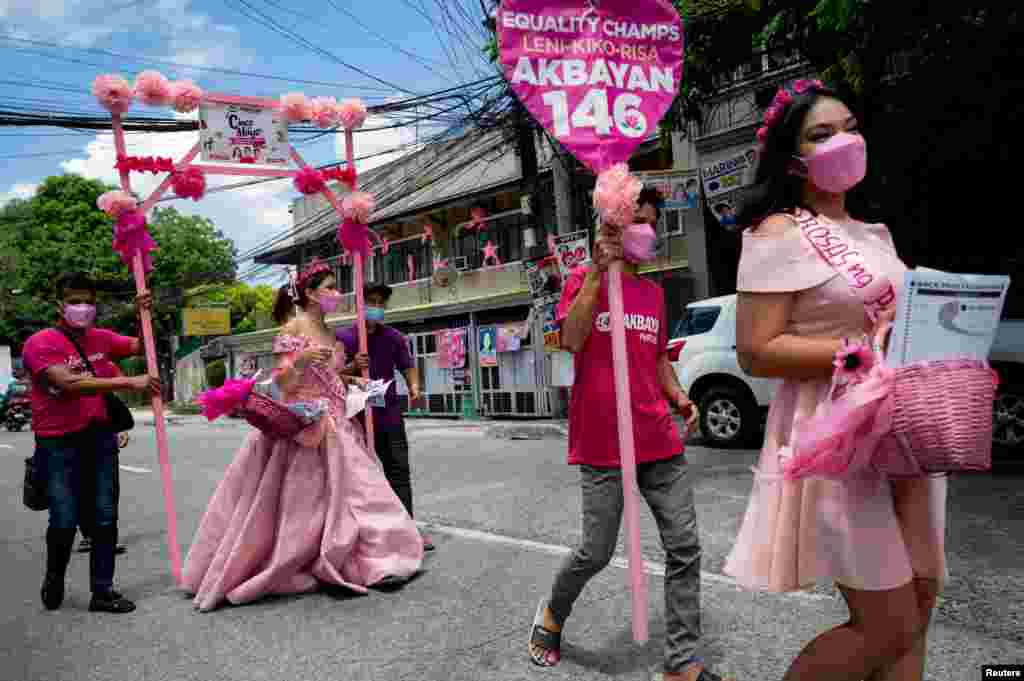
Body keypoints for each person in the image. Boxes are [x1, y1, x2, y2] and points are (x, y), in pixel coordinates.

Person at [725, 79, 946, 681]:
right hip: (840, 439)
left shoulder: (876, 235)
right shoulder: (776, 233)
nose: (843, 141)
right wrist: (858, 353)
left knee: (921, 602)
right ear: (792, 159)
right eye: (822, 134)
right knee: (886, 622)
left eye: (850, 127)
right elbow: (757, 349)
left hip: (907, 432)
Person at [527, 187, 728, 681]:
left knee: (685, 546)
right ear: (612, 227)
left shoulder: (654, 294)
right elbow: (571, 340)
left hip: (656, 436)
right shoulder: (581, 280)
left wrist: (679, 397)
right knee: (595, 550)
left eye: (651, 222)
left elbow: (658, 359)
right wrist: (597, 271)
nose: (647, 230)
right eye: (637, 220)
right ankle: (552, 612)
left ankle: (682, 663)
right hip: (602, 441)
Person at [182, 261, 423, 611]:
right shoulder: (292, 327)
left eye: (336, 288)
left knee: (366, 495)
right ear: (309, 293)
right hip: (303, 428)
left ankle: (381, 559)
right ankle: (306, 559)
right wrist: (301, 359)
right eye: (328, 287)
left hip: (340, 425)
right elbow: (283, 384)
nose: (336, 294)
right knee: (302, 510)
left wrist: (353, 380)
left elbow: (331, 378)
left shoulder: (332, 331)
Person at [23, 272, 160, 613]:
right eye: (74, 301)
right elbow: (66, 383)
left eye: (88, 301)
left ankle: (102, 591)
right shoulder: (40, 343)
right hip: (57, 442)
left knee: (103, 515)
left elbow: (140, 346)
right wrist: (128, 381)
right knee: (65, 518)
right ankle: (55, 576)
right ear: (60, 304)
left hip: (99, 438)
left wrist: (143, 315)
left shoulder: (101, 338)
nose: (82, 307)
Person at [339, 283, 434, 551]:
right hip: (356, 417)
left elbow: (408, 366)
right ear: (358, 304)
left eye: (381, 303)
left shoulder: (394, 337)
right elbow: (333, 378)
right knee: (361, 478)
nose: (377, 308)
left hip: (389, 415)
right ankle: (365, 534)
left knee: (398, 472)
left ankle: (407, 530)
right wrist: (353, 366)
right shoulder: (343, 338)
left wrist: (414, 387)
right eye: (371, 302)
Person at [78, 361, 129, 555]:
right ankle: (89, 534)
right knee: (81, 488)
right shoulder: (58, 361)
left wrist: (121, 427)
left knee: (107, 490)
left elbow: (115, 393)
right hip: (69, 435)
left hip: (104, 434)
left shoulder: (104, 362)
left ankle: (106, 538)